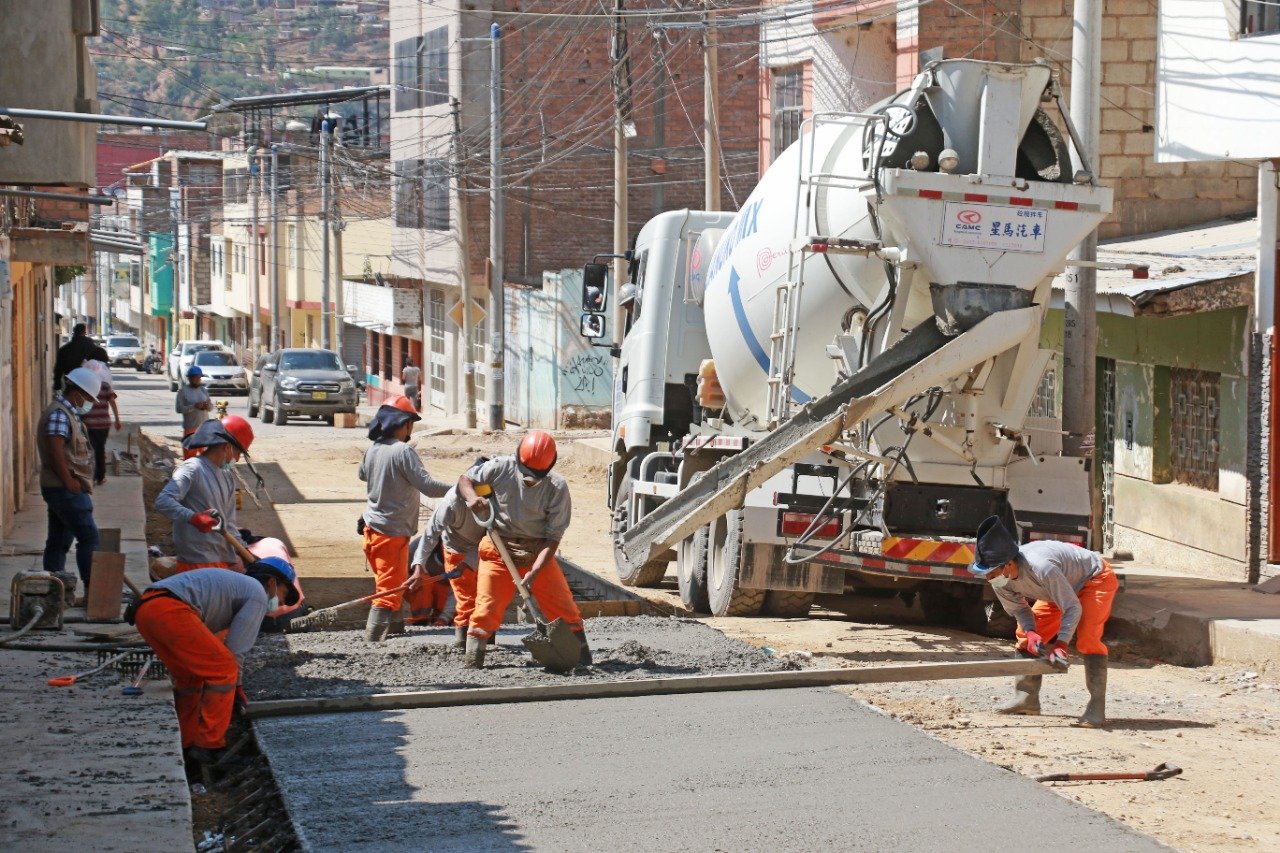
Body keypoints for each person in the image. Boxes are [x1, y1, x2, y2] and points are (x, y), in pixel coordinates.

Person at [132, 562, 298, 765]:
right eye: (280, 594)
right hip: (172, 610)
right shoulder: (257, 593)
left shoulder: (234, 587)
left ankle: (186, 742)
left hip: (146, 610)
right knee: (224, 670)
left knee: (190, 677)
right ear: (272, 583)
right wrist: (236, 687)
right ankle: (210, 745)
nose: (277, 602)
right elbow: (236, 650)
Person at [968, 515, 1119, 728]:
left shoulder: (1041, 567)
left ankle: (1096, 708)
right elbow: (1021, 610)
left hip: (1094, 579)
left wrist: (1061, 644)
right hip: (1058, 590)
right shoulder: (999, 581)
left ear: (1008, 565)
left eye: (991, 572)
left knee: (1087, 639)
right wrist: (1031, 632)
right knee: (1023, 636)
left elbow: (1072, 607)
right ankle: (1026, 698)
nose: (988, 578)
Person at [457, 430, 590, 669]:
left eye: (536, 477)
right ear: (518, 459)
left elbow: (553, 538)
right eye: (525, 474)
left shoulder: (557, 488)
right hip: (498, 548)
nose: (529, 480)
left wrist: (536, 571)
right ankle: (473, 662)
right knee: (486, 610)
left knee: (564, 608)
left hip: (537, 552)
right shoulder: (499, 467)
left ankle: (580, 657)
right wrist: (471, 499)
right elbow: (466, 480)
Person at [358, 395, 450, 642]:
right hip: (391, 533)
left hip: (372, 531)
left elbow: (362, 475)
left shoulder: (372, 450)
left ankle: (396, 631)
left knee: (394, 583)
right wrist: (458, 489)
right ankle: (372, 642)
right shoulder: (403, 452)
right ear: (405, 423)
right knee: (387, 592)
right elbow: (428, 487)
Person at [155, 416, 255, 573]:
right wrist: (193, 517)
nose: (237, 458)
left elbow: (228, 524)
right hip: (196, 562)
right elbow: (163, 501)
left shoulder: (227, 476)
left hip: (221, 560)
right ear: (227, 447)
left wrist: (245, 552)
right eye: (238, 452)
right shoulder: (192, 469)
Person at [36, 366, 103, 594]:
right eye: (88, 398)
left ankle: (56, 592)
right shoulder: (59, 414)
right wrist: (68, 481)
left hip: (61, 487)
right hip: (64, 488)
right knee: (89, 537)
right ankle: (94, 591)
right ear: (77, 393)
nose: (89, 403)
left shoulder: (67, 413)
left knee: (59, 540)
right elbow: (55, 449)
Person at [410, 459, 488, 649]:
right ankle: (467, 643)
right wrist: (418, 567)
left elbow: (497, 534)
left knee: (486, 598)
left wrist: (469, 561)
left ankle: (482, 637)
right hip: (455, 549)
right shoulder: (451, 501)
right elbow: (430, 534)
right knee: (466, 598)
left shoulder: (495, 496)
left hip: (485, 549)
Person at [81, 360, 121, 486]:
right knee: (100, 448)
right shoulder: (105, 386)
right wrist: (117, 420)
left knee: (90, 449)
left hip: (89, 423)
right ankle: (101, 476)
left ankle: (91, 476)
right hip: (104, 424)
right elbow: (112, 402)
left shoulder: (84, 387)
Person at [53, 323, 108, 391]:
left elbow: (58, 368)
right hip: (89, 382)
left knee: (71, 399)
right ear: (84, 332)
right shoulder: (92, 347)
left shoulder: (64, 349)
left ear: (74, 332)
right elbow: (102, 361)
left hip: (71, 381)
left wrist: (57, 383)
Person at [176, 366, 212, 460]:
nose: (197, 380)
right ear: (190, 378)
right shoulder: (183, 392)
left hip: (204, 429)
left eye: (199, 378)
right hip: (190, 430)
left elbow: (211, 407)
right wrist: (194, 406)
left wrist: (207, 406)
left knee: (207, 457)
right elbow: (179, 409)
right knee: (189, 458)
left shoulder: (203, 390)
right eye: (195, 378)